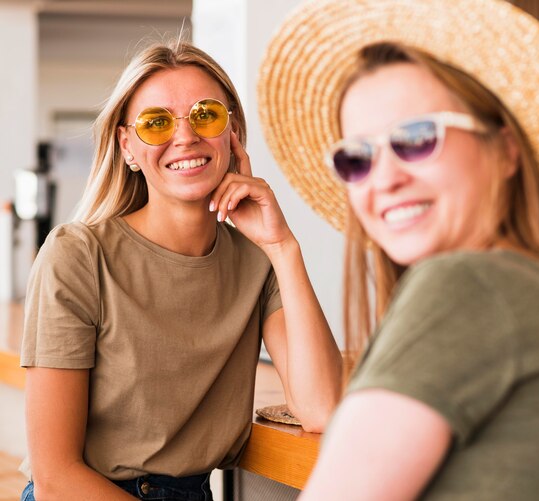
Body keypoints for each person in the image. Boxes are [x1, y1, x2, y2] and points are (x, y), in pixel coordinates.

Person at [258, 0, 539, 499]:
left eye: (417, 136)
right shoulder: (534, 292)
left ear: (507, 149)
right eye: (358, 155)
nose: (385, 178)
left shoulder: (469, 286)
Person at [20, 40, 342, 501]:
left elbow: (323, 409)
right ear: (127, 147)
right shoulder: (78, 255)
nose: (185, 136)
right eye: (156, 123)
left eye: (205, 115)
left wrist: (282, 246)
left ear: (233, 134)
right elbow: (56, 478)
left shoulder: (259, 262)